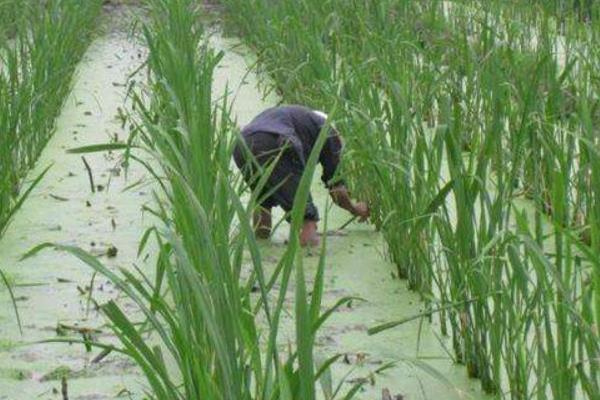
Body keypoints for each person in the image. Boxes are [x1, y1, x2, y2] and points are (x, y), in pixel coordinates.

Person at [233, 105, 369, 247]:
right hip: (276, 141)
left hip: (242, 145)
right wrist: (354, 208)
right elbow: (336, 189)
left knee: (262, 199)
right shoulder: (329, 132)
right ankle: (308, 253)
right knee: (305, 212)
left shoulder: (299, 120)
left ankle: (260, 244)